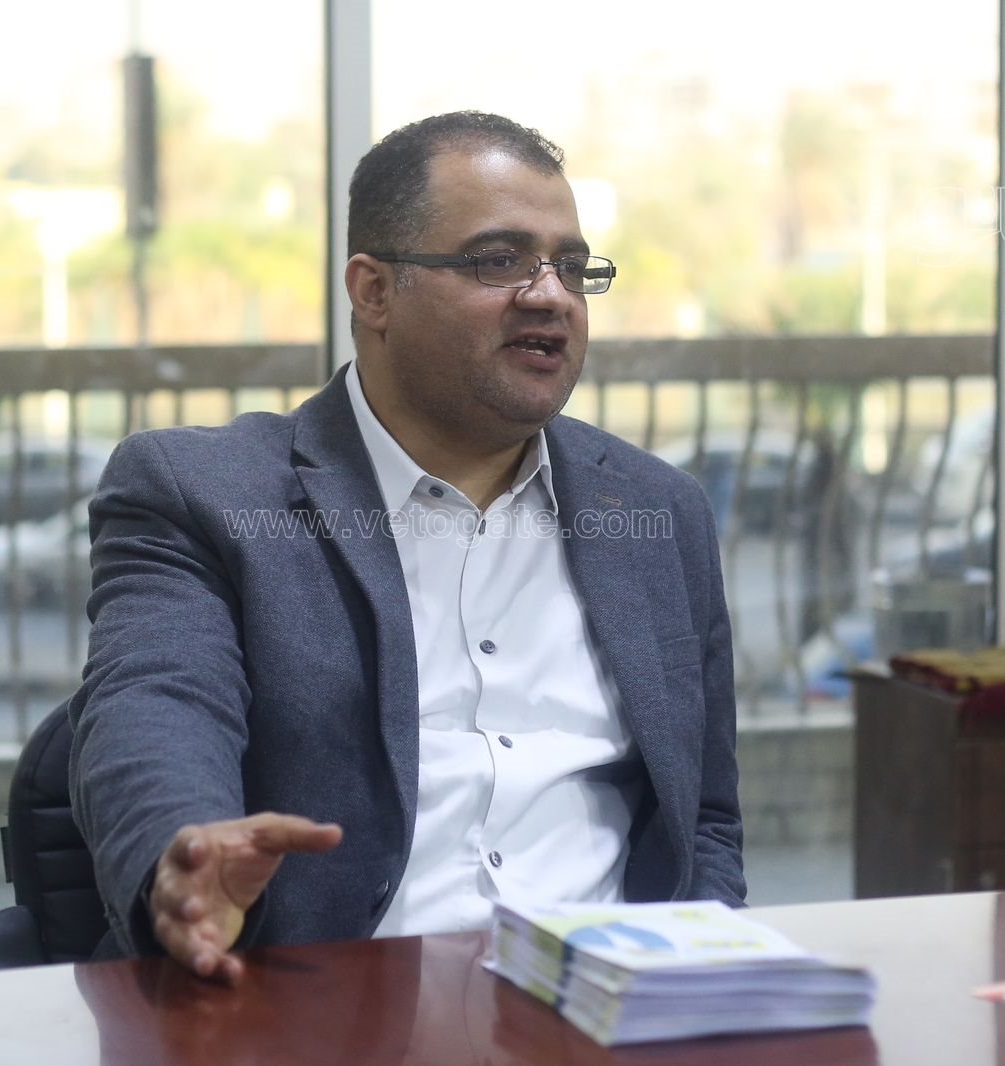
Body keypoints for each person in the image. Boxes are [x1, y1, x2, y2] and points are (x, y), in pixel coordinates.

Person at [69, 111, 744, 981]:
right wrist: (181, 855)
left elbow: (705, 822)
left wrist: (711, 992)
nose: (550, 296)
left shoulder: (657, 512)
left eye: (572, 268)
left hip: (610, 1005)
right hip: (324, 1009)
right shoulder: (204, 493)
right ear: (375, 291)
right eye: (499, 261)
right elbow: (157, 704)